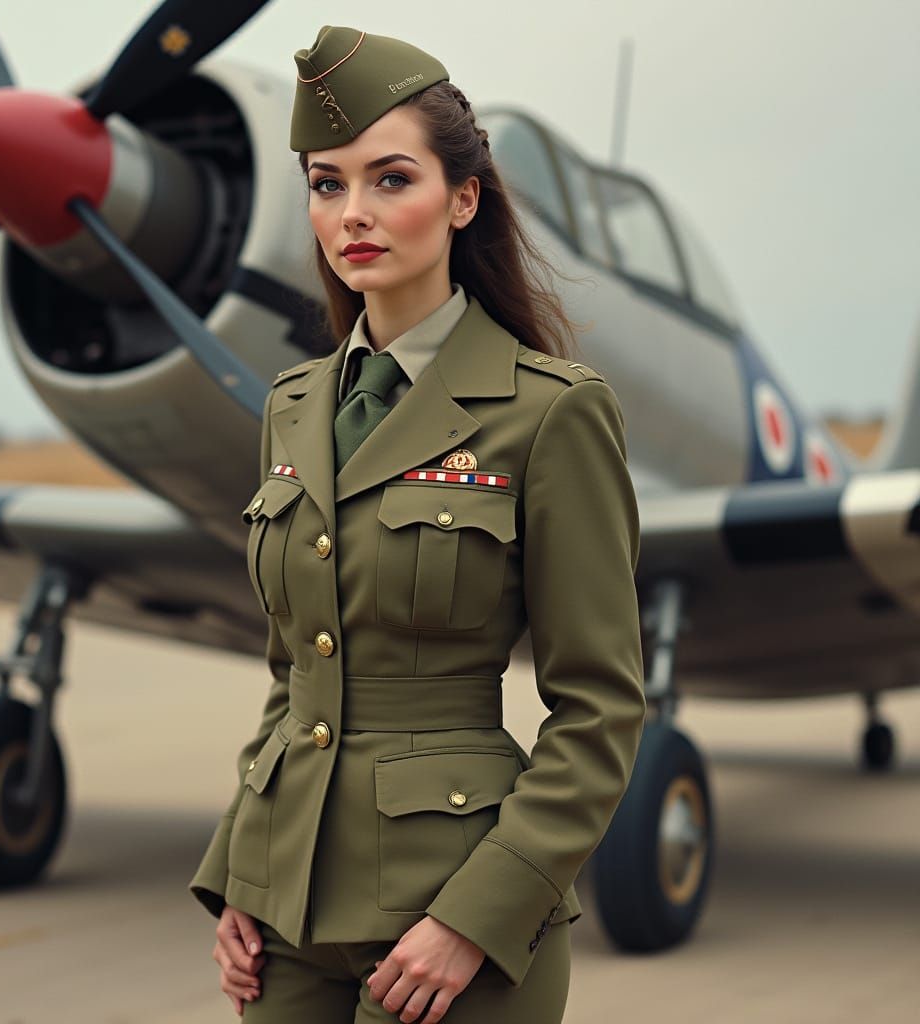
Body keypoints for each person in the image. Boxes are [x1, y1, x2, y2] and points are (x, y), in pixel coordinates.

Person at [189, 25, 646, 1023]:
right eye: (326, 184)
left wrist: (480, 915)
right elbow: (296, 674)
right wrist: (236, 871)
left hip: (453, 918)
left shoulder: (552, 412)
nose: (352, 213)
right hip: (285, 916)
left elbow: (601, 711)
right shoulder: (293, 404)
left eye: (390, 179)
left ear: (464, 197)